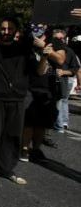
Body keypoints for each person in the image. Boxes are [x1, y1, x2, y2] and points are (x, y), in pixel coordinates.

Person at [0, 18, 63, 185]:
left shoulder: (24, 50)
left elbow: (38, 71)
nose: (6, 32)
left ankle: (7, 169)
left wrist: (45, 57)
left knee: (12, 135)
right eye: (3, 29)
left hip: (17, 99)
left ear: (16, 31)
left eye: (10, 29)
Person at [20, 26, 66, 162]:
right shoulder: (27, 38)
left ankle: (36, 149)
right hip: (29, 85)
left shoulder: (55, 41)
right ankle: (24, 148)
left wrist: (45, 46)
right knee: (28, 121)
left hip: (47, 88)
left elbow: (61, 60)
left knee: (42, 122)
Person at [52, 29, 78, 133]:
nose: (60, 41)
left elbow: (75, 68)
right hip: (46, 83)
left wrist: (64, 72)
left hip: (61, 83)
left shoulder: (69, 51)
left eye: (62, 38)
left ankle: (60, 126)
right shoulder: (46, 49)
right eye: (57, 39)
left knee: (61, 102)